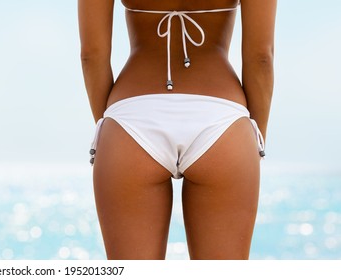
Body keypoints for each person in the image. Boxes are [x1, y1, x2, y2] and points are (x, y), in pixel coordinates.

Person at [78, 0, 276, 259]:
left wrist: (114, 128)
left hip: (133, 117)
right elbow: (261, 57)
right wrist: (253, 140)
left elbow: (91, 55)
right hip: (221, 121)